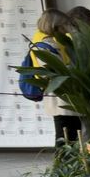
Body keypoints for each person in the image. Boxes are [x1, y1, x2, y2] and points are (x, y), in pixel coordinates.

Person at [24, 9, 78, 145]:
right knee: (65, 138)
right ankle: (63, 165)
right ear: (55, 26)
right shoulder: (43, 46)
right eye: (64, 25)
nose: (67, 29)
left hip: (68, 97)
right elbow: (56, 70)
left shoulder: (53, 41)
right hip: (60, 98)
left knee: (72, 136)